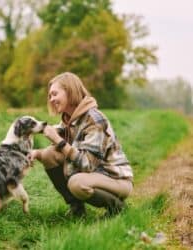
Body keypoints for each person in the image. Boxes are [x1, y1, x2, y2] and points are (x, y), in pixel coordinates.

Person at [31, 72, 133, 217]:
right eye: (50, 96)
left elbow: (87, 164)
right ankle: (77, 209)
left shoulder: (94, 120)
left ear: (69, 91)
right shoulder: (69, 118)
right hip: (96, 175)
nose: (51, 99)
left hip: (116, 180)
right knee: (48, 154)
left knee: (76, 183)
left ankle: (117, 208)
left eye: (55, 94)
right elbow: (57, 145)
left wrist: (59, 141)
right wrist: (35, 153)